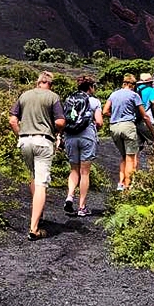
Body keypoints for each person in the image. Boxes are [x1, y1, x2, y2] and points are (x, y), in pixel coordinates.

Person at [9, 71, 65, 241]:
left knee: (34, 177)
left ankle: (37, 214)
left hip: (25, 142)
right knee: (41, 183)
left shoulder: (25, 95)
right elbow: (60, 122)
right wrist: (56, 132)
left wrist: (21, 134)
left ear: (38, 82)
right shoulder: (52, 97)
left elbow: (12, 120)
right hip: (43, 141)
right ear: (50, 83)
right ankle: (34, 228)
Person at [103, 73, 154, 191]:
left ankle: (120, 184)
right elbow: (145, 116)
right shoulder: (134, 95)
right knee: (131, 157)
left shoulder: (113, 94)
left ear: (123, 83)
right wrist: (152, 132)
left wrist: (115, 115)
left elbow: (105, 111)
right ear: (133, 85)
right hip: (128, 126)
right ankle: (128, 186)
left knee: (123, 156)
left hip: (114, 127)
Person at [63, 75, 102, 218]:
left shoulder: (70, 99)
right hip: (86, 137)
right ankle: (81, 207)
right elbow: (99, 122)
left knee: (74, 170)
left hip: (70, 137)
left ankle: (69, 196)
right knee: (85, 173)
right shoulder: (94, 101)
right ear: (90, 87)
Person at [135, 72, 154, 156]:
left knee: (136, 148)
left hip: (135, 120)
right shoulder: (151, 90)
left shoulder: (135, 90)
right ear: (149, 82)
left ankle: (133, 168)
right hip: (147, 121)